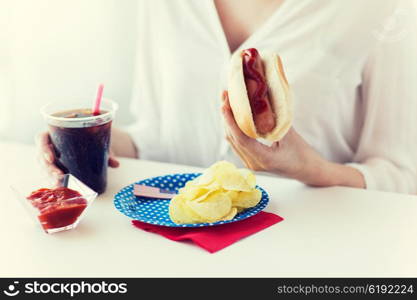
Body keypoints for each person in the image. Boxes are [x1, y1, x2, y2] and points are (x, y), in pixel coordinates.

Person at [37, 0, 417, 194]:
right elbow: (159, 136)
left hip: (309, 258)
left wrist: (310, 169)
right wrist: (89, 138)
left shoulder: (380, 9)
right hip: (173, 252)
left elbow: (402, 176)